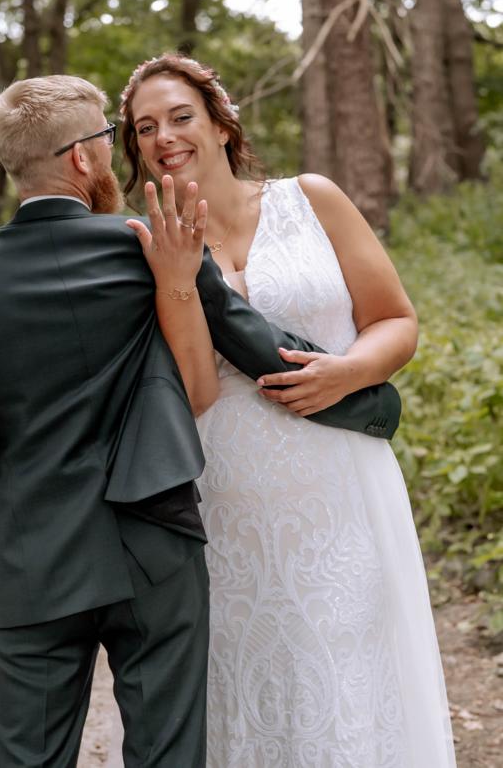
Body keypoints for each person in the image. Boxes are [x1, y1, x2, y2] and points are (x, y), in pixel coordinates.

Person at [0, 75, 400, 768]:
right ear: (83, 157)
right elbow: (255, 346)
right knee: (167, 751)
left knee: (31, 755)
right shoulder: (150, 245)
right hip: (155, 544)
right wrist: (371, 403)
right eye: (111, 139)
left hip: (32, 559)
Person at [120, 54, 457, 767]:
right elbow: (187, 386)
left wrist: (349, 371)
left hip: (340, 481)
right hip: (227, 496)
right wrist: (175, 281)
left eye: (180, 116)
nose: (164, 136)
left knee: (347, 661)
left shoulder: (312, 199)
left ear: (220, 123)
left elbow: (395, 320)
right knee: (251, 674)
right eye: (145, 128)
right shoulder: (147, 244)